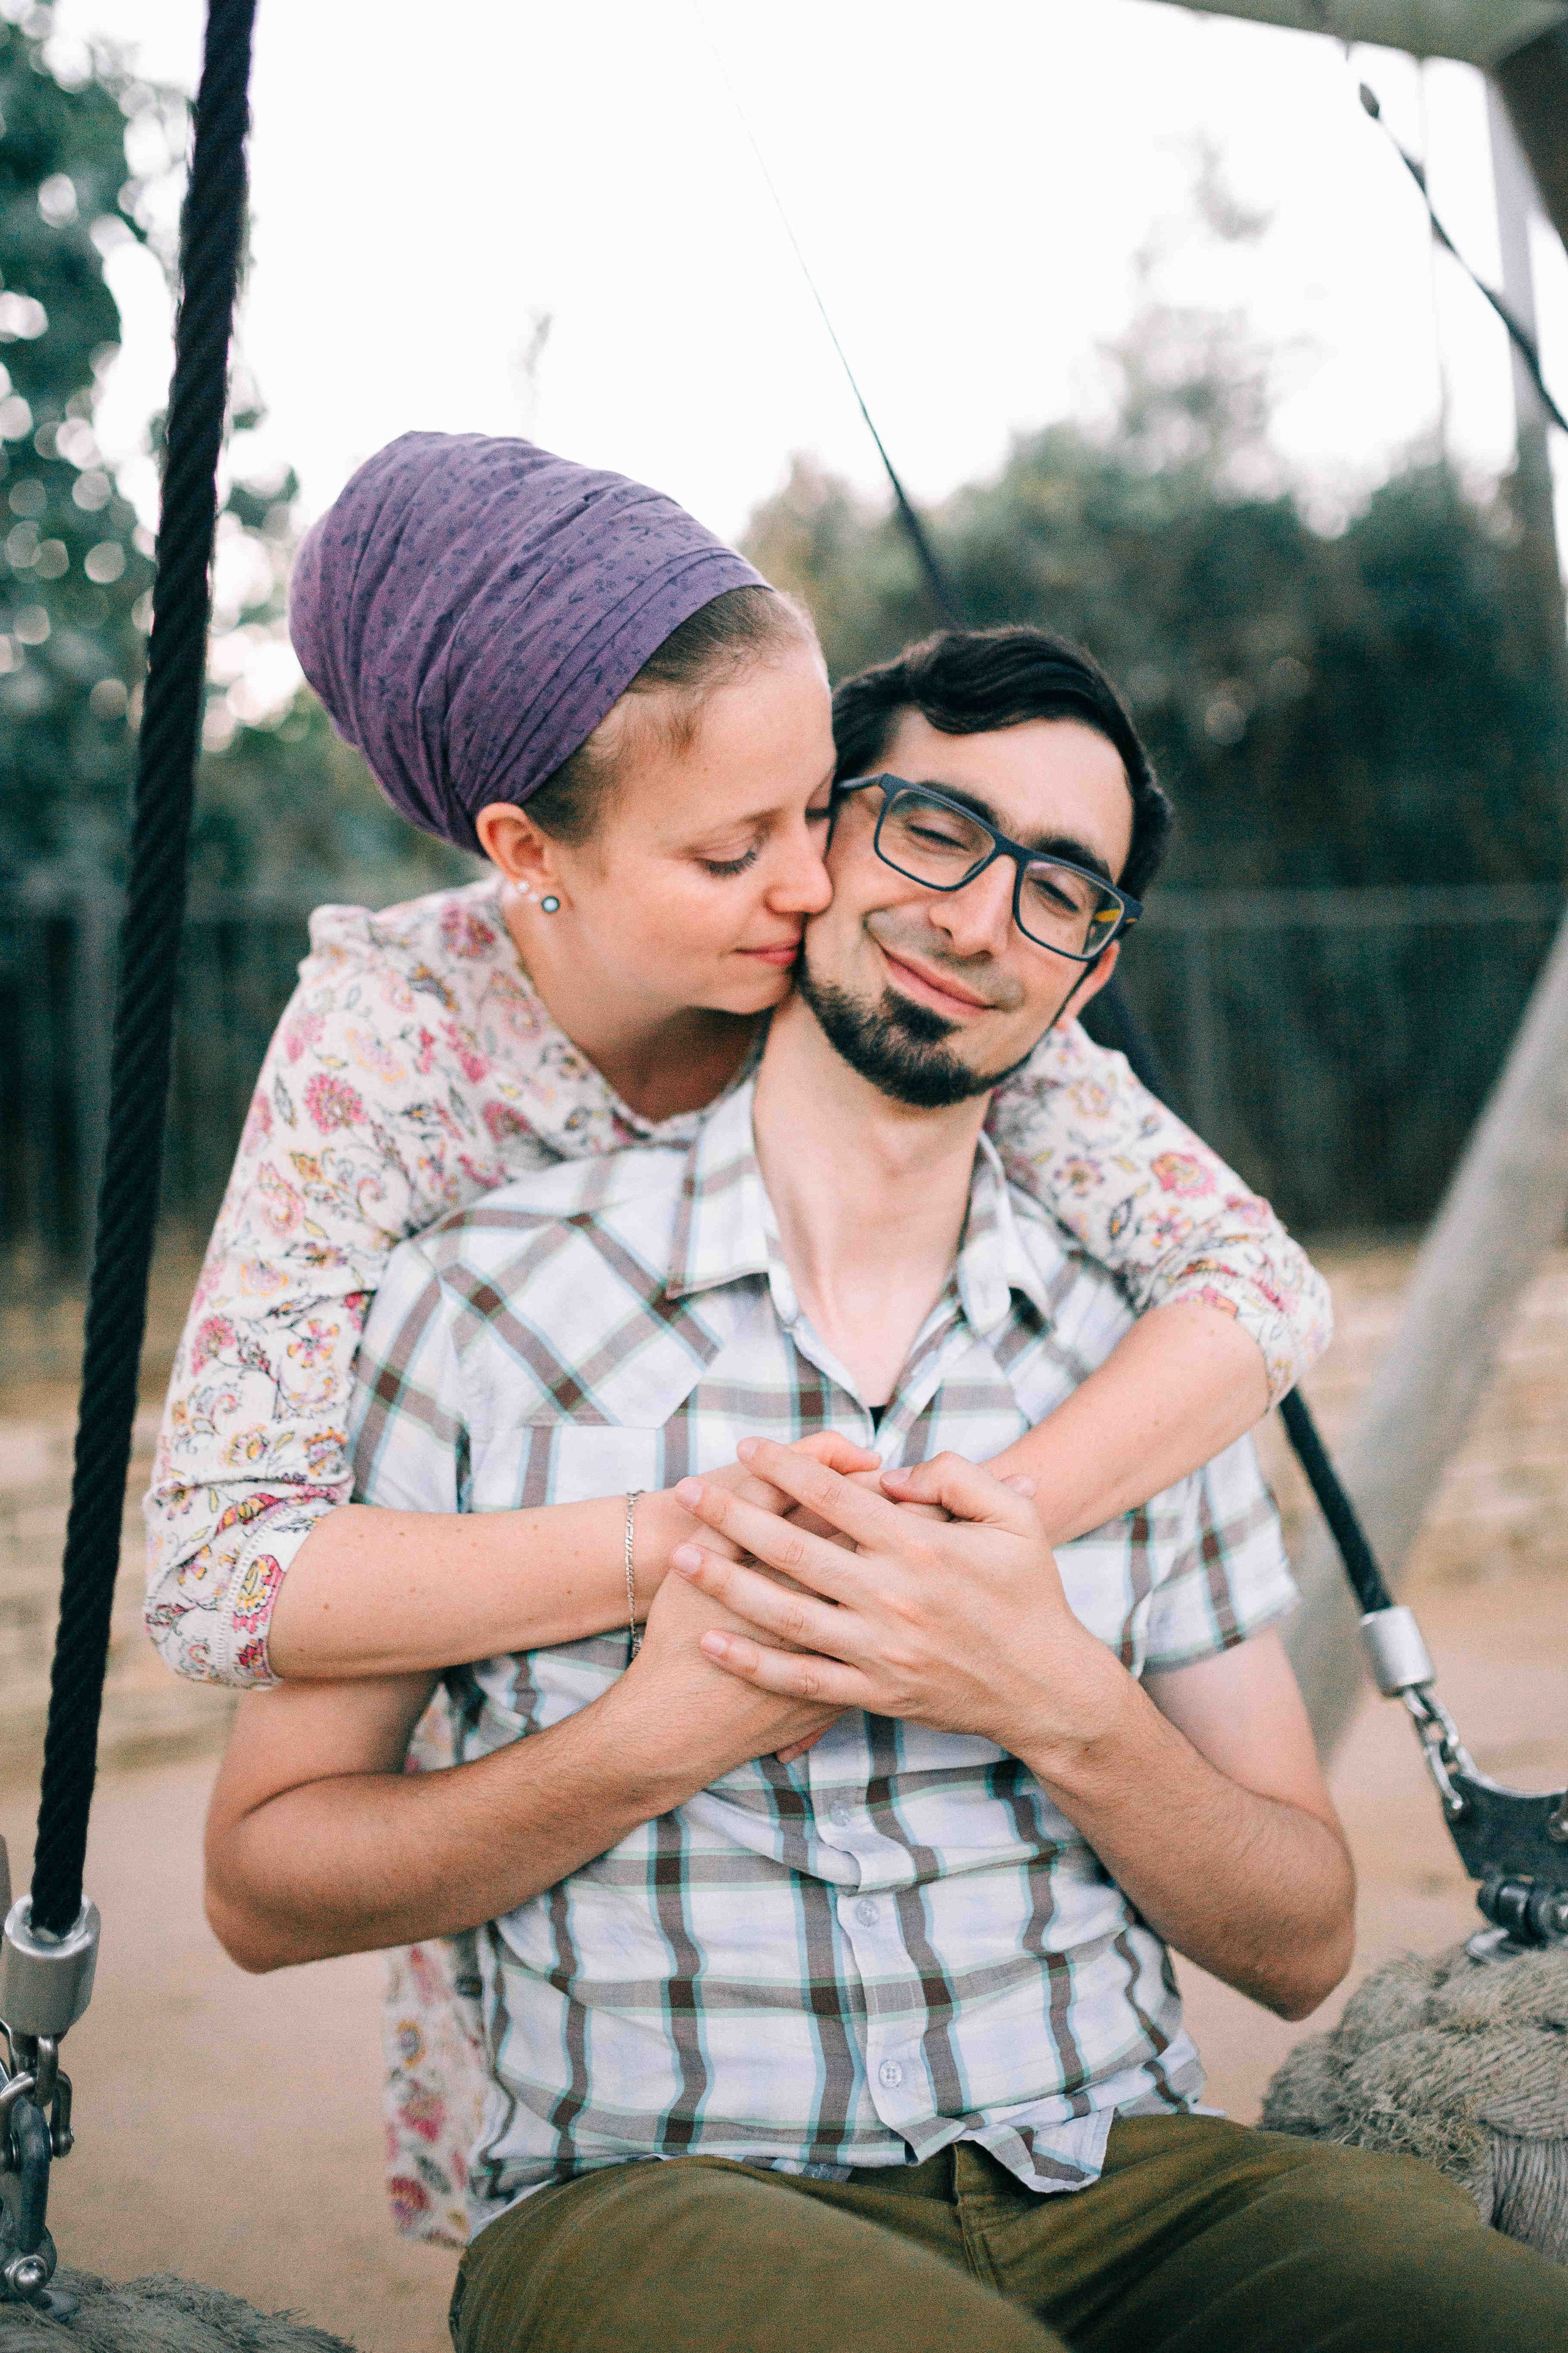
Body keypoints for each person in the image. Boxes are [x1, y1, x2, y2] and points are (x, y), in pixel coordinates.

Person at [204, 629, 1568, 2351]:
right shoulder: (477, 1307)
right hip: (654, 2196)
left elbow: (1300, 1938)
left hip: (1127, 2178)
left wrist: (1056, 1698)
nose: (984, 919)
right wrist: (655, 1735)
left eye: (1063, 889)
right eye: (935, 826)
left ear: (1089, 975)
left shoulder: (1151, 1372)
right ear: (811, 845)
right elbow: (261, 1885)